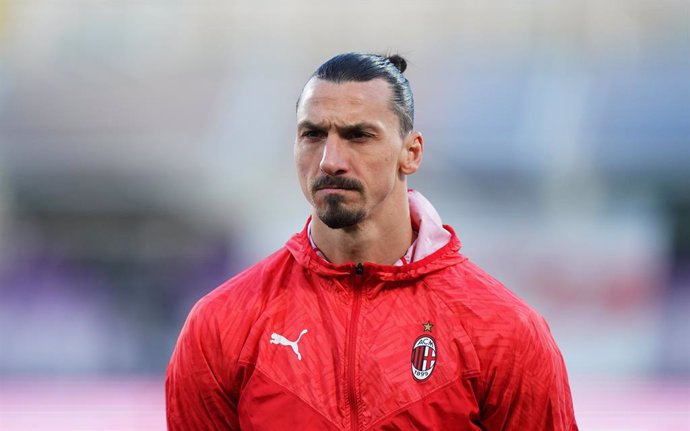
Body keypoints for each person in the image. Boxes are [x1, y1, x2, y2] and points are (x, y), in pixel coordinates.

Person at [166, 52, 578, 430]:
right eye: (312, 134)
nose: (330, 160)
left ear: (411, 153)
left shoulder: (504, 332)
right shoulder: (221, 325)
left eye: (359, 135)